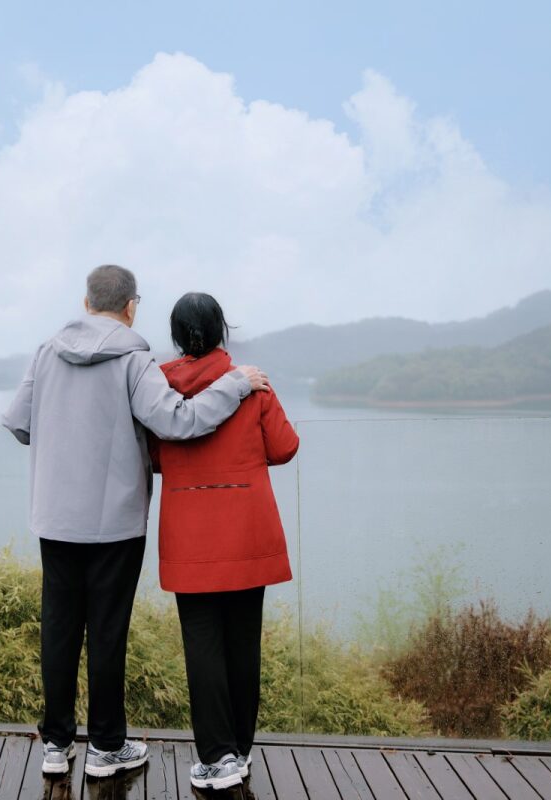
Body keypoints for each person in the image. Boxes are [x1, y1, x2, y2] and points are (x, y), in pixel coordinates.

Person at [2, 265, 271, 779]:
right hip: (116, 523)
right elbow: (177, 421)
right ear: (131, 307)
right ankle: (107, 748)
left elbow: (18, 421)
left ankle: (56, 747)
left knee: (58, 629)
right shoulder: (134, 358)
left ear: (86, 303)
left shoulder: (46, 352)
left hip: (56, 517)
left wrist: (62, 445)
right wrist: (236, 385)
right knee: (106, 631)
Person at [148, 292, 299, 790]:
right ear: (221, 332)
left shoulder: (160, 389)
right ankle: (240, 748)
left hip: (189, 534)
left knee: (203, 646)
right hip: (247, 530)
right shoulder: (252, 384)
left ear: (176, 336)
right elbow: (285, 446)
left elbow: (152, 455)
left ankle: (216, 757)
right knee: (242, 642)